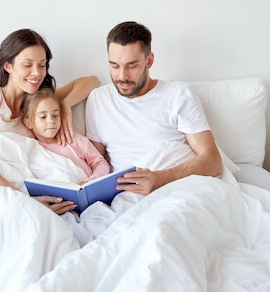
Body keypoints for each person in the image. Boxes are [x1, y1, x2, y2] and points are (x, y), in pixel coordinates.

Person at [0, 28, 100, 214]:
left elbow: (92, 81)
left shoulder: (38, 103)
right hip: (9, 191)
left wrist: (65, 105)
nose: (37, 73)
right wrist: (26, 200)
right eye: (27, 65)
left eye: (42, 65)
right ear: (8, 66)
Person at [85, 21, 223, 195]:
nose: (122, 76)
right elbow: (95, 162)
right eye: (115, 66)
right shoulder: (99, 99)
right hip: (126, 195)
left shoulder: (178, 94)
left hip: (175, 188)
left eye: (132, 65)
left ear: (149, 61)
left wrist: (158, 179)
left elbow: (213, 161)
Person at [22, 88, 110, 183]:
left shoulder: (75, 140)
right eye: (43, 117)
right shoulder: (33, 150)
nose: (51, 120)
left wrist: (92, 180)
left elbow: (101, 163)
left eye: (55, 115)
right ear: (29, 123)